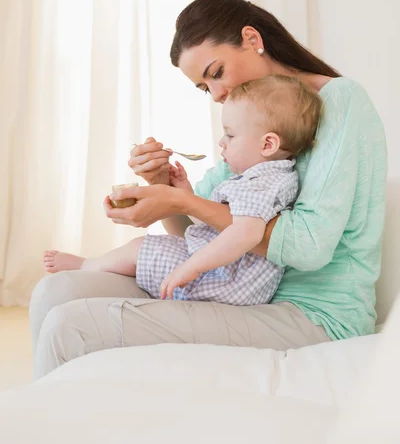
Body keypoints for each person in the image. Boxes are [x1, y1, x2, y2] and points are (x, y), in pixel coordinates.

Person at [30, 0, 387, 380]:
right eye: (204, 87)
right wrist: (163, 189)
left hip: (313, 313)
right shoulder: (250, 123)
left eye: (216, 72)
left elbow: (309, 246)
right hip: (235, 289)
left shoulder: (340, 102)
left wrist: (180, 201)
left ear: (252, 39)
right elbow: (197, 234)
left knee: (72, 326)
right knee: (56, 292)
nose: (216, 95)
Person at [43, 76, 321, 306]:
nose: (222, 143)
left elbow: (245, 234)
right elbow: (219, 224)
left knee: (140, 248)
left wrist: (192, 267)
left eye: (231, 135)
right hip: (230, 276)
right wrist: (186, 194)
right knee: (143, 251)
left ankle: (87, 266)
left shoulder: (262, 182)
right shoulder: (266, 176)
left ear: (268, 144)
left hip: (227, 280)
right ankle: (97, 266)